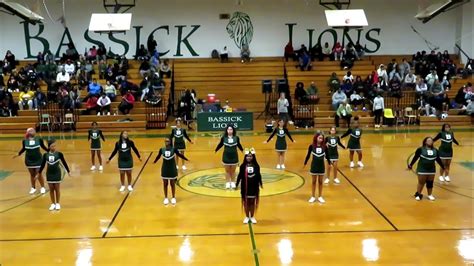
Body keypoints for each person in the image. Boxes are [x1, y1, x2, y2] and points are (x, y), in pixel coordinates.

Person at [153, 138, 189, 205]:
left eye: (168, 141)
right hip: (165, 169)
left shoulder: (174, 149)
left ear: (170, 142)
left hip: (172, 168)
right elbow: (158, 156)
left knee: (172, 184)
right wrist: (154, 161)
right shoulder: (162, 149)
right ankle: (166, 198)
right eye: (165, 141)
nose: (166, 142)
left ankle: (173, 197)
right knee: (165, 184)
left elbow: (179, 155)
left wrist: (186, 159)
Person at [13, 128, 49, 194]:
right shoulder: (24, 141)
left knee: (39, 173)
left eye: (33, 130)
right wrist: (18, 154)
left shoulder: (39, 139)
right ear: (28, 132)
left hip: (38, 159)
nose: (33, 131)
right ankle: (33, 188)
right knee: (32, 174)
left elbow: (43, 147)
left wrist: (49, 151)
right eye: (31, 130)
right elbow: (23, 148)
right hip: (29, 160)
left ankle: (42, 187)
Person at [39, 139, 70, 211]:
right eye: (52, 146)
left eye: (55, 146)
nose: (54, 147)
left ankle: (58, 203)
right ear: (49, 147)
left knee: (57, 189)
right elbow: (42, 165)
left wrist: (68, 171)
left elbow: (64, 162)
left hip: (57, 173)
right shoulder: (45, 155)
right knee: (51, 189)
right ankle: (53, 203)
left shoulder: (59, 154)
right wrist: (39, 173)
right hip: (49, 174)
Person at [236, 148, 262, 224]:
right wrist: (237, 184)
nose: (249, 157)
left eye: (250, 156)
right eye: (247, 156)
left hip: (254, 188)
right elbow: (240, 175)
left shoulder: (256, 166)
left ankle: (252, 216)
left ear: (253, 157)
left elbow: (258, 175)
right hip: (245, 188)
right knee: (246, 203)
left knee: (252, 202)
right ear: (245, 157)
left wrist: (260, 183)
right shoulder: (242, 166)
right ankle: (247, 216)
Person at [304, 133, 331, 203]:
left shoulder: (325, 147)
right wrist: (305, 162)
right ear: (316, 138)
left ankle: (320, 196)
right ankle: (313, 196)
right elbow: (308, 155)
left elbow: (327, 156)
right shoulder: (311, 146)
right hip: (314, 166)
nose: (320, 139)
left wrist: (329, 163)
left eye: (322, 138)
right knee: (313, 182)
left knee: (320, 182)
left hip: (321, 166)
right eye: (319, 138)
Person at [215, 125, 244, 189]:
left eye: (231, 129)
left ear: (233, 130)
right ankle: (228, 182)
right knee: (227, 171)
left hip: (234, 156)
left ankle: (233, 182)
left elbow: (239, 145)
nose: (230, 131)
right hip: (226, 156)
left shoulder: (236, 137)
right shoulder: (223, 138)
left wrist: (242, 150)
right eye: (228, 129)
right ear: (226, 130)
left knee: (233, 171)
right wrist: (216, 149)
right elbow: (220, 144)